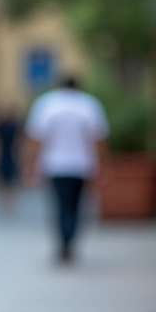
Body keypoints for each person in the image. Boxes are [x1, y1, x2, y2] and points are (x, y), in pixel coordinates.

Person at [23, 76, 109, 262]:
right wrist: (102, 167)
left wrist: (30, 164)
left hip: (55, 165)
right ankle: (69, 242)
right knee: (75, 206)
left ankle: (64, 243)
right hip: (81, 165)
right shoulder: (88, 105)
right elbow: (98, 139)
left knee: (60, 205)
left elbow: (37, 138)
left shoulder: (47, 104)